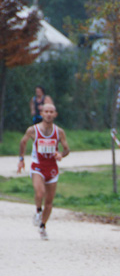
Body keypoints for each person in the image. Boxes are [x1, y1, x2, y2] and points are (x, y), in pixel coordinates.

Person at [17, 103, 70, 240]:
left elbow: (66, 149)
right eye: (46, 111)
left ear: (55, 114)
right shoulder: (33, 130)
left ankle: (43, 226)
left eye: (51, 112)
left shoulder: (59, 132)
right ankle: (38, 211)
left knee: (49, 201)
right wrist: (21, 159)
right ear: (42, 114)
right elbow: (23, 142)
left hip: (52, 168)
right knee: (40, 192)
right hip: (38, 166)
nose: (48, 114)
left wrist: (61, 155)